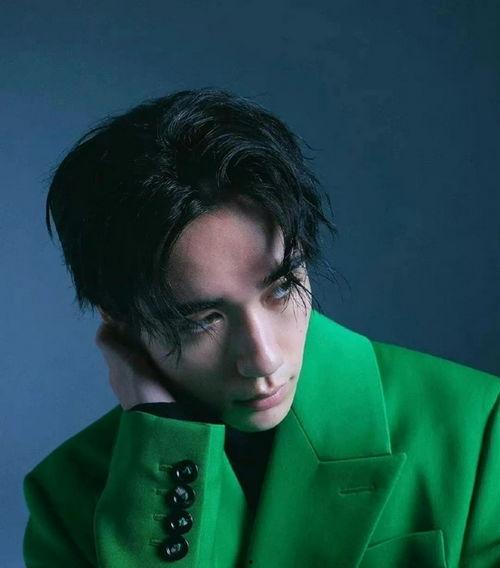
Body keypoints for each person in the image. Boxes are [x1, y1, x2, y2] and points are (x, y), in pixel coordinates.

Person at [22, 87, 500, 568]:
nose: (263, 358)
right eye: (202, 320)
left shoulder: (479, 429)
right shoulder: (66, 498)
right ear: (119, 320)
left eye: (282, 288)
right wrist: (166, 446)